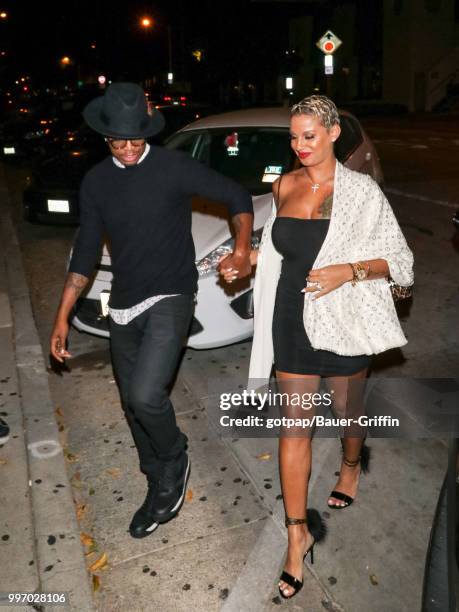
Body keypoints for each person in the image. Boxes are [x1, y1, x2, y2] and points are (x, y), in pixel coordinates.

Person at [221, 95, 413, 599]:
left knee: (349, 414)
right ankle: (296, 535)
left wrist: (346, 271)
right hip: (292, 322)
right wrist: (246, 259)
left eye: (309, 135)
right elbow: (282, 249)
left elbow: (400, 260)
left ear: (332, 133)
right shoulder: (283, 184)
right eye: (293, 137)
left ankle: (351, 464)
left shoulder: (361, 191)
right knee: (294, 431)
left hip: (345, 321)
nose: (300, 145)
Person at [50, 82, 253, 539]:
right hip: (123, 304)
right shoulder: (97, 181)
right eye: (116, 141)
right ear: (105, 137)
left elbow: (237, 198)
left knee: (146, 395)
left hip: (172, 295)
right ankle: (155, 476)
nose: (125, 149)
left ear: (147, 132)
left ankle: (175, 457)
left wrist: (241, 249)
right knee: (130, 403)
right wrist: (62, 315)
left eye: (134, 140)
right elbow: (85, 251)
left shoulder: (173, 167)